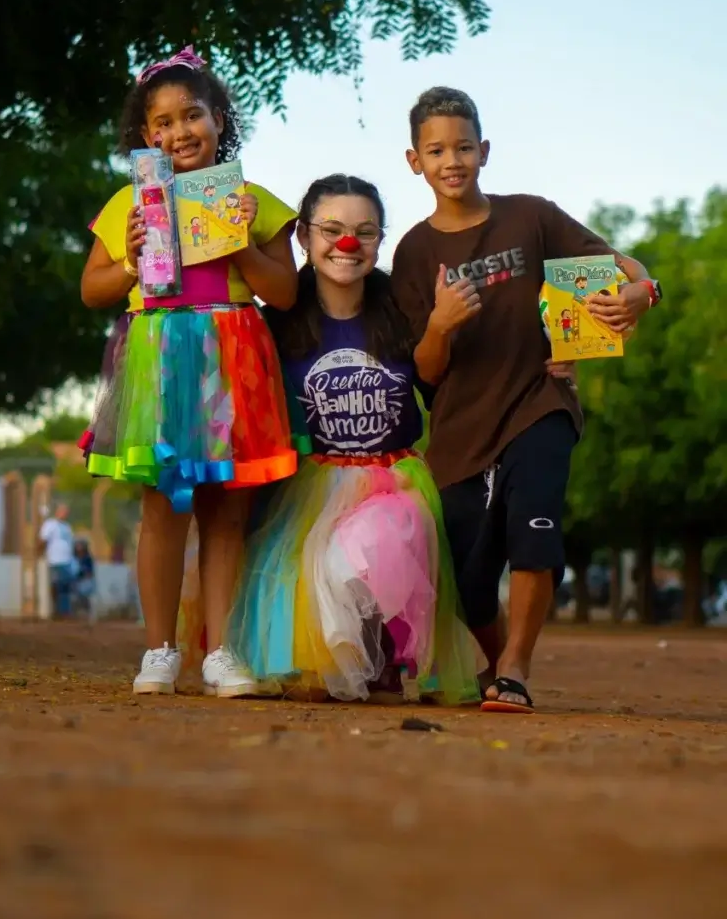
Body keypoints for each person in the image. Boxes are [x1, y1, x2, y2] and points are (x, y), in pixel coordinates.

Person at [390, 87, 662, 713]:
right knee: (466, 578)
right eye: (436, 150)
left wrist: (644, 291)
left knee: (534, 529)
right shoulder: (414, 253)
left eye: (463, 146)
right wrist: (440, 322)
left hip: (541, 402)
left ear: (484, 151)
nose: (451, 159)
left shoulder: (531, 217)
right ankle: (493, 661)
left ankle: (515, 666)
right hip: (460, 427)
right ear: (415, 161)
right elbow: (425, 375)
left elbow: (617, 264)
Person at [80, 47, 299, 697]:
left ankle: (221, 652)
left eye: (193, 115)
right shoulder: (130, 202)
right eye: (165, 122)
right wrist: (129, 261)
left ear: (219, 118)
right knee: (163, 508)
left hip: (233, 353)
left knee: (227, 511)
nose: (180, 132)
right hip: (158, 359)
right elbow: (91, 289)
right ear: (148, 136)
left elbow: (284, 291)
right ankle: (158, 649)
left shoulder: (251, 200)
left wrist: (243, 245)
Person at [222, 174, 479, 704]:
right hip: (306, 485)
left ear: (380, 240)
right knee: (299, 585)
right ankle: (339, 659)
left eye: (365, 232)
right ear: (304, 240)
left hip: (390, 481)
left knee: (368, 545)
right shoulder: (276, 322)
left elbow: (447, 375)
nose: (347, 244)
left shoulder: (404, 314)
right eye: (331, 230)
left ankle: (380, 652)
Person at [38, 504, 75, 618]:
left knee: (65, 587)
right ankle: (58, 610)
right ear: (57, 512)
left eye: (66, 512)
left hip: (67, 560)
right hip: (55, 560)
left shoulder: (67, 527)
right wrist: (39, 553)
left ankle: (63, 611)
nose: (65, 514)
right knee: (57, 586)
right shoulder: (50, 524)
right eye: (63, 511)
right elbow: (43, 540)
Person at [71, 539, 96, 617]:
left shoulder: (88, 559)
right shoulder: (73, 558)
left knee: (84, 591)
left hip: (85, 581)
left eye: (80, 546)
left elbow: (90, 573)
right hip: (75, 581)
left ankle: (87, 612)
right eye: (77, 546)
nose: (79, 548)